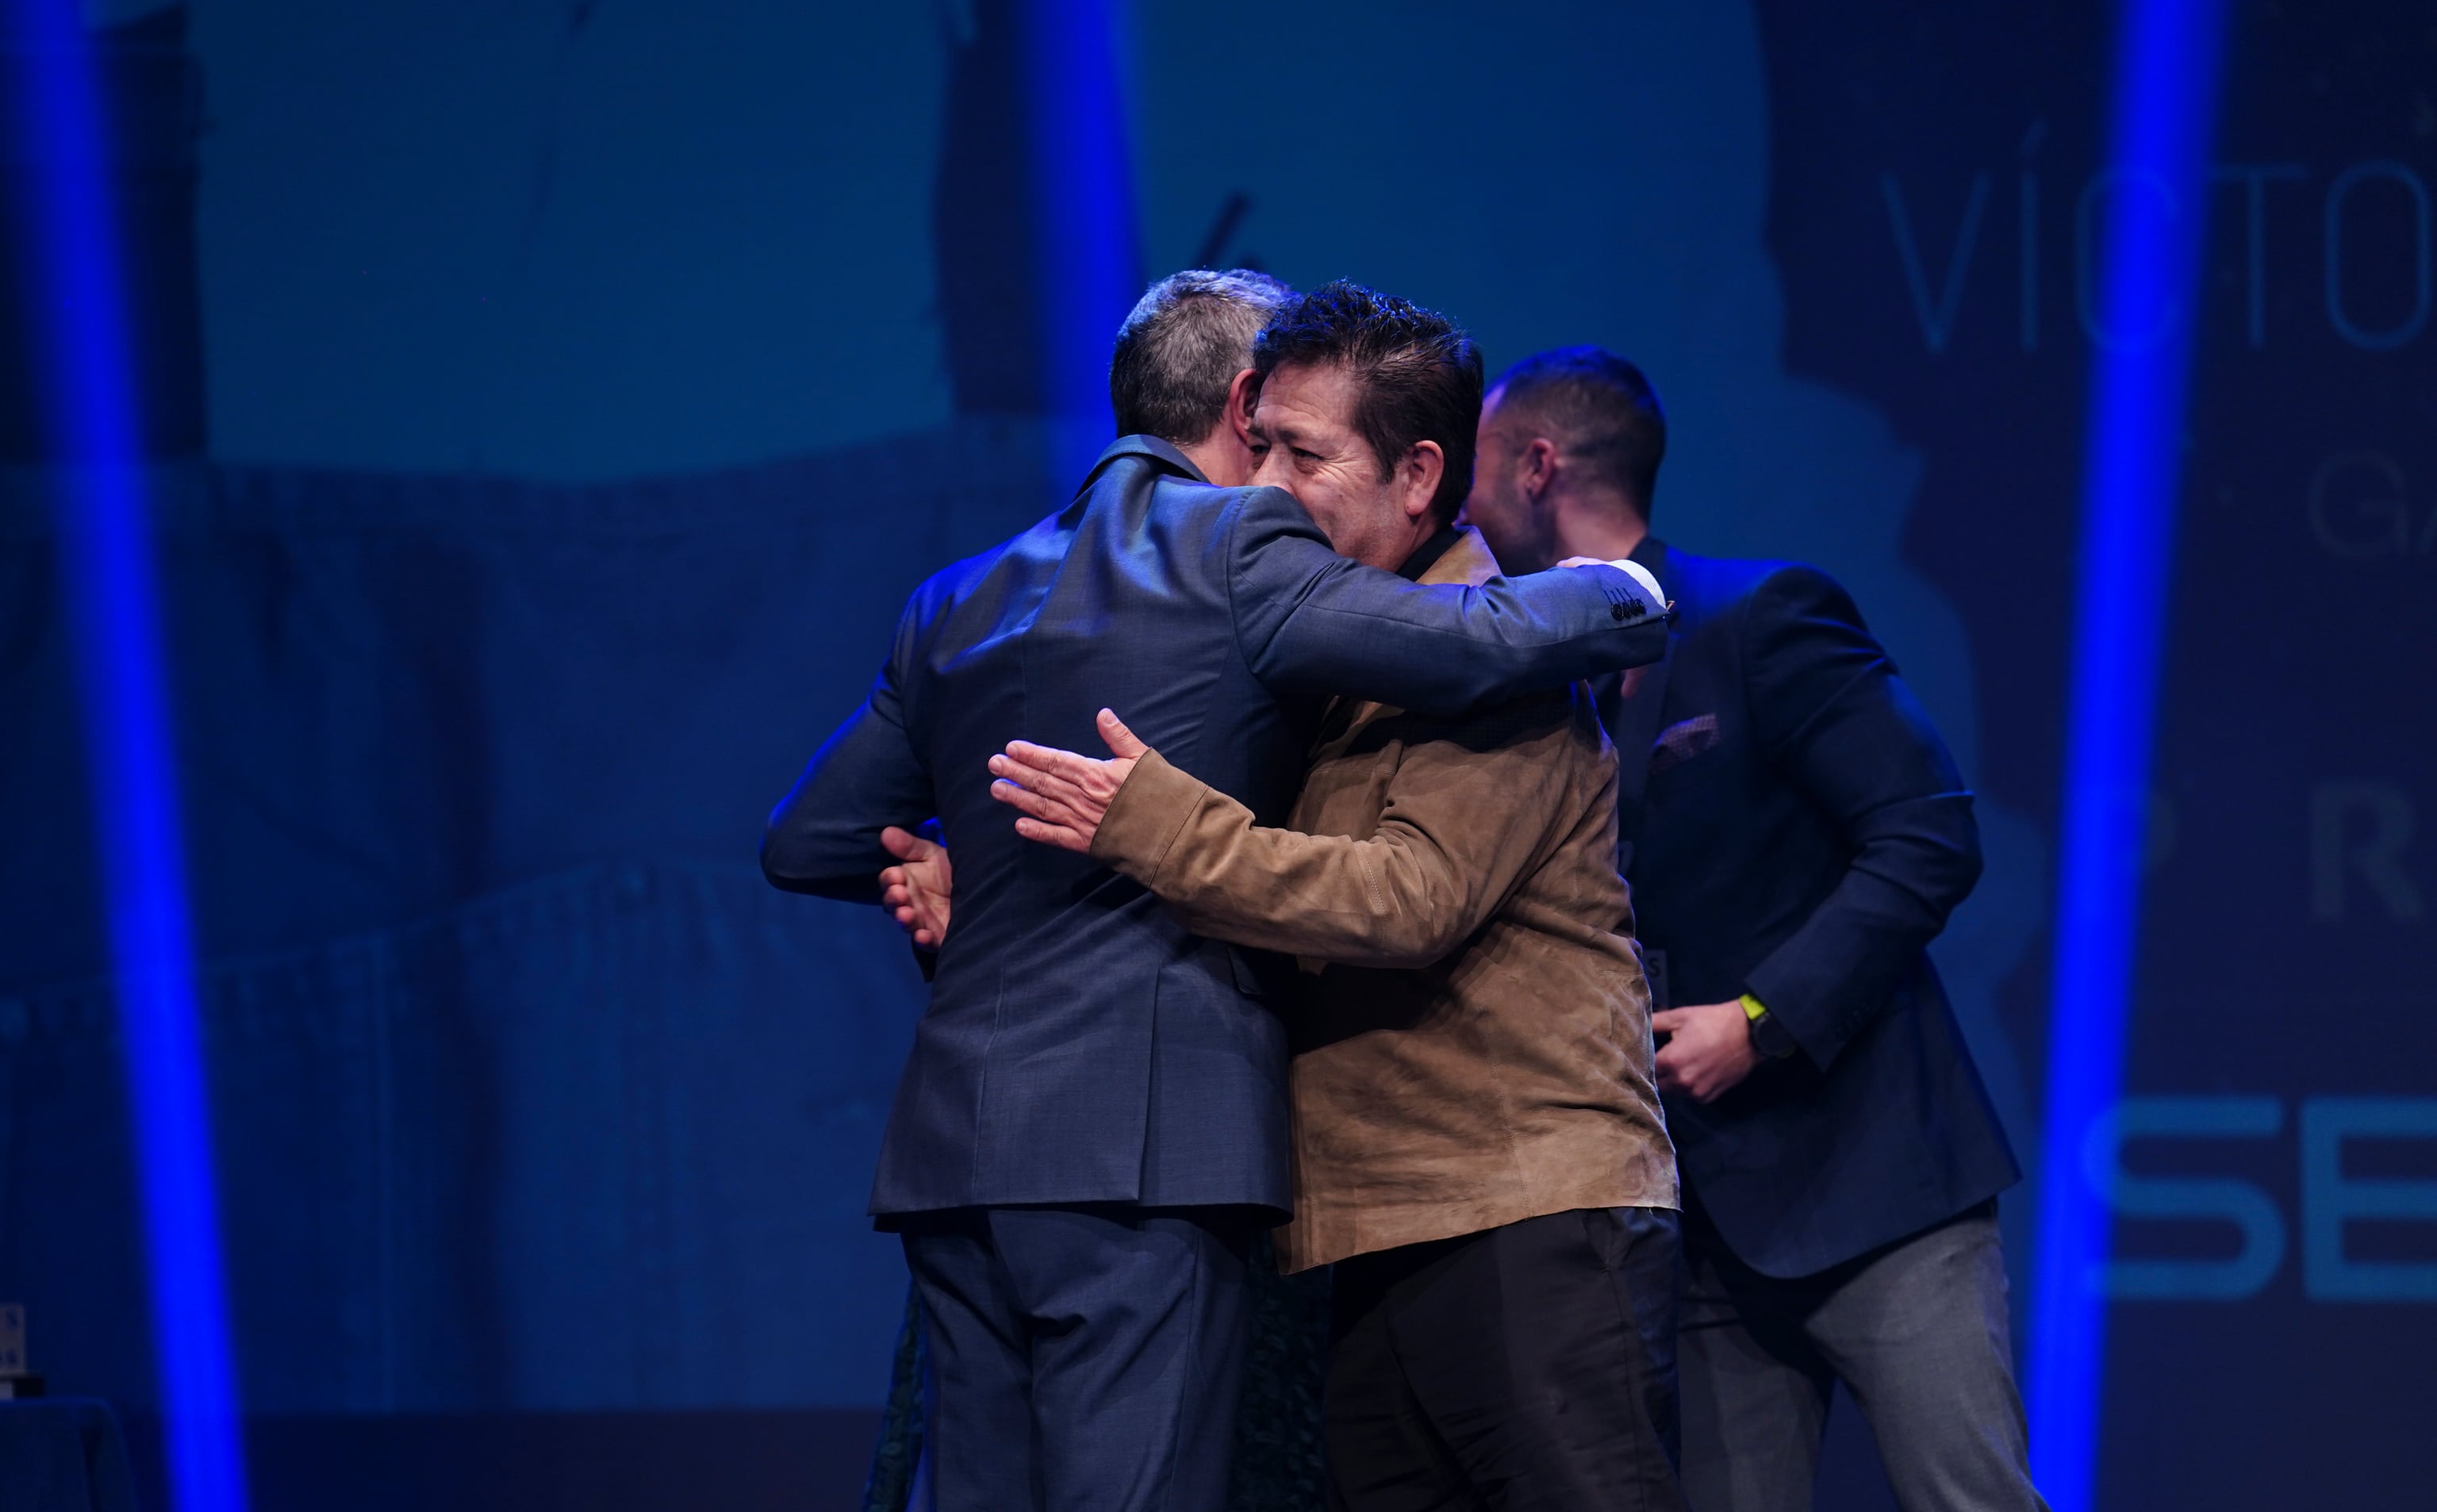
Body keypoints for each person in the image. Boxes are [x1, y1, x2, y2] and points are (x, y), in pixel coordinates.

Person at [760, 276, 1668, 1512]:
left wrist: (961, 847)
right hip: (1163, 1156)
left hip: (972, 1157)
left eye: (1309, 452)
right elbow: (1475, 647)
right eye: (1274, 444)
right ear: (1242, 407)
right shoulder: (1242, 558)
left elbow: (806, 838)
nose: (1279, 485)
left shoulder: (959, 596)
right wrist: (1624, 585)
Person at [1459, 346, 2043, 1512]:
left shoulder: (1758, 618)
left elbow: (1928, 834)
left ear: (1536, 466)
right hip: (1695, 1222)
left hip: (1873, 1187)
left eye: (1470, 464)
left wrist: (1763, 1019)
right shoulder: (1525, 685)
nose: (1454, 505)